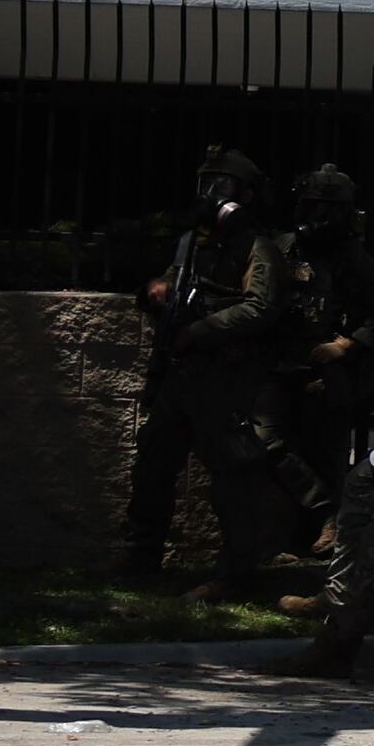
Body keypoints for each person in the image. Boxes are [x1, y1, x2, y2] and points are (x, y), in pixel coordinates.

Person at [120, 145, 303, 584]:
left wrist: (200, 331)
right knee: (152, 466)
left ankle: (234, 571)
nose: (212, 194)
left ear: (248, 195)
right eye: (206, 184)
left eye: (222, 186)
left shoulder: (258, 247)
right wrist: (155, 293)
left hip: (224, 379)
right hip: (180, 377)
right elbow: (173, 288)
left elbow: (261, 307)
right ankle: (139, 562)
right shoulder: (191, 244)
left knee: (231, 478)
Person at [250, 165, 374, 677]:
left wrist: (344, 345)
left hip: (326, 371)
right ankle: (319, 513)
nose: (319, 215)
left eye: (329, 206)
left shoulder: (356, 260)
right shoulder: (280, 247)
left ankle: (316, 546)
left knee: (324, 450)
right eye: (313, 203)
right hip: (279, 365)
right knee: (267, 441)